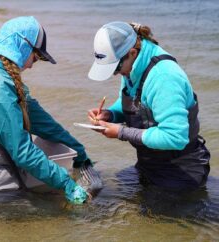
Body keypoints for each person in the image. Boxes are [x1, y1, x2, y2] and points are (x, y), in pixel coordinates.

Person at [0, 16, 91, 204]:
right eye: (34, 58)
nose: (30, 65)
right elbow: (23, 153)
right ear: (21, 47)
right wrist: (66, 183)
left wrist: (79, 152)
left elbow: (45, 125)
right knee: (57, 217)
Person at [87, 21, 210, 191]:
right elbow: (137, 101)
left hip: (181, 169)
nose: (116, 74)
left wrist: (121, 132)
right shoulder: (132, 66)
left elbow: (175, 136)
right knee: (112, 188)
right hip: (149, 162)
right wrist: (111, 114)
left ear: (132, 53)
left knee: (151, 215)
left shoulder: (164, 77)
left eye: (115, 68)